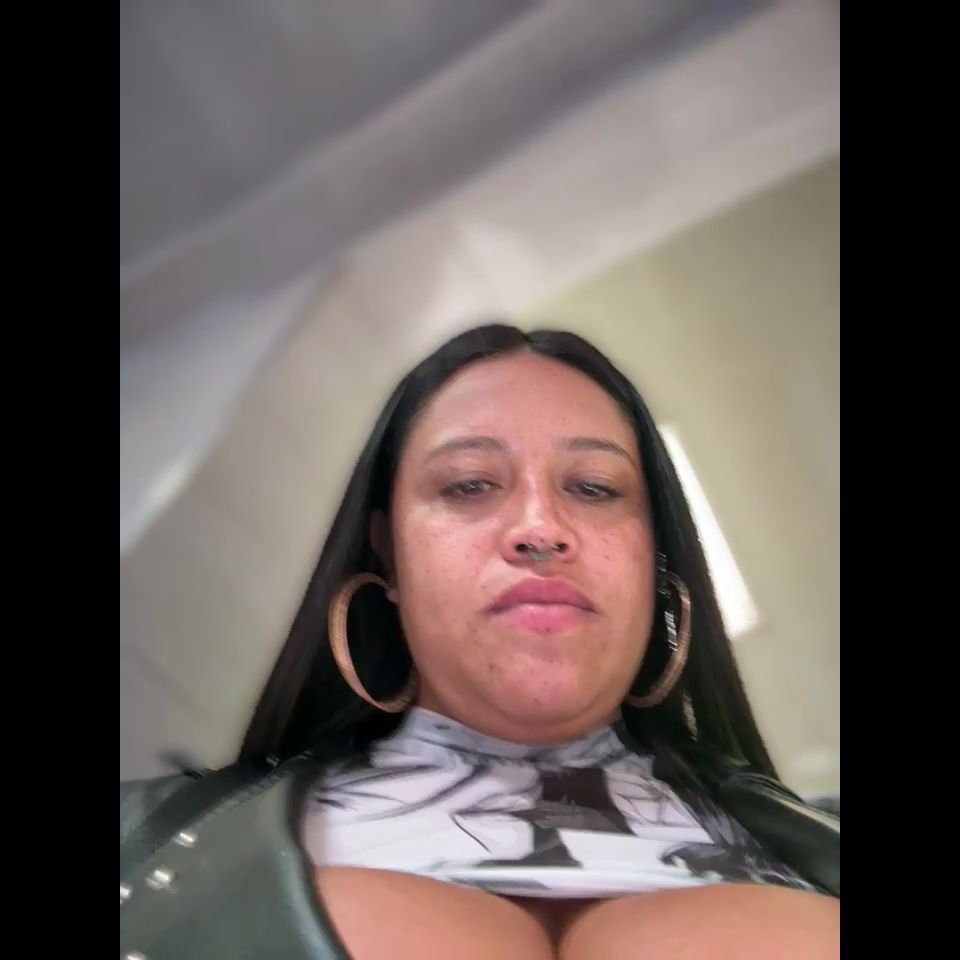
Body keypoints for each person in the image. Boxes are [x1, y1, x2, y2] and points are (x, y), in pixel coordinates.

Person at [120, 324, 839, 959]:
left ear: (655, 557)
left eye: (593, 487)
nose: (540, 528)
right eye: (468, 485)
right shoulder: (138, 840)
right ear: (388, 553)